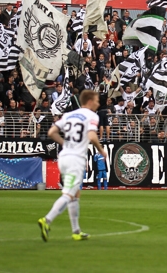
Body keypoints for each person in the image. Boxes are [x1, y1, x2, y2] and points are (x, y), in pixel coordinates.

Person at [38, 90, 108, 242]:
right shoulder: (92, 116)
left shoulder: (69, 115)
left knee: (75, 194)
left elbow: (52, 132)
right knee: (69, 194)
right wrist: (101, 150)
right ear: (89, 101)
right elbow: (91, 135)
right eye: (96, 100)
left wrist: (66, 144)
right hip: (76, 159)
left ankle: (76, 231)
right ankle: (47, 220)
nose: (98, 103)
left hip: (64, 157)